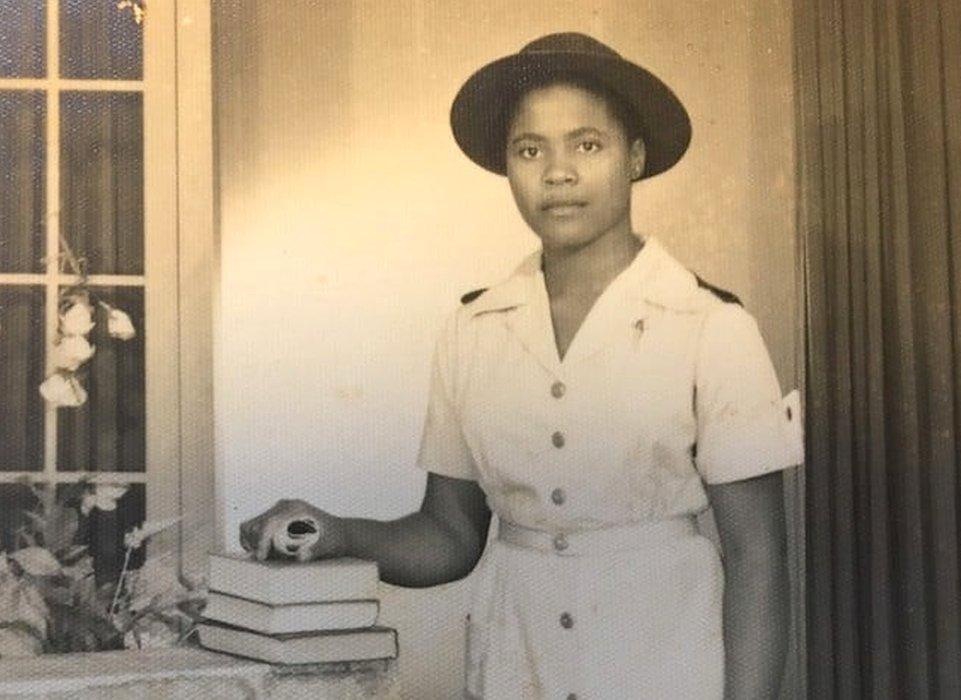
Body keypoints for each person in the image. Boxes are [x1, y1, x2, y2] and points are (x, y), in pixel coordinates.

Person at [239, 32, 804, 699]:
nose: (557, 173)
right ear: (507, 167)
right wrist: (340, 533)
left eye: (587, 144)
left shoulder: (711, 326)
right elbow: (449, 536)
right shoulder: (474, 330)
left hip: (664, 661)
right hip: (518, 662)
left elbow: (757, 560)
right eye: (530, 149)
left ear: (636, 158)